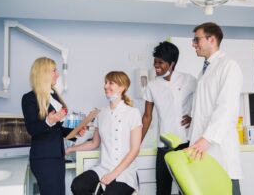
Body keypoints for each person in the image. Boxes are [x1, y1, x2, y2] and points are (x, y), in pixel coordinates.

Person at [187, 22, 243, 195]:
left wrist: (207, 139)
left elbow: (226, 108)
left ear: (211, 39)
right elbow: (205, 107)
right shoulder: (205, 70)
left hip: (218, 147)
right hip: (203, 148)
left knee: (225, 187)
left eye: (197, 40)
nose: (193, 44)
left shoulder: (228, 66)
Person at [67, 71, 142, 195]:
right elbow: (94, 143)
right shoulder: (101, 113)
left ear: (122, 87)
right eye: (105, 83)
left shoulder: (133, 113)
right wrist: (70, 150)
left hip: (125, 172)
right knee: (78, 185)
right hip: (104, 167)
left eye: (110, 83)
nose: (106, 86)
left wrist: (113, 174)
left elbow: (135, 150)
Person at [142, 41, 197, 195]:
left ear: (172, 63)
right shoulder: (152, 86)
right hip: (164, 145)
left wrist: (193, 118)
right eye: (155, 62)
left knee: (186, 189)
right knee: (162, 189)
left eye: (161, 63)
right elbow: (147, 117)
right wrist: (136, 145)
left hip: (186, 144)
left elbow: (204, 103)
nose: (156, 66)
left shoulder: (189, 80)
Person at [22, 57, 72, 195]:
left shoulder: (54, 96)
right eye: (54, 70)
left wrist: (75, 133)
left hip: (57, 157)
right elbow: (32, 129)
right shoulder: (29, 98)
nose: (57, 74)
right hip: (44, 159)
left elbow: (57, 130)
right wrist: (49, 121)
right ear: (43, 73)